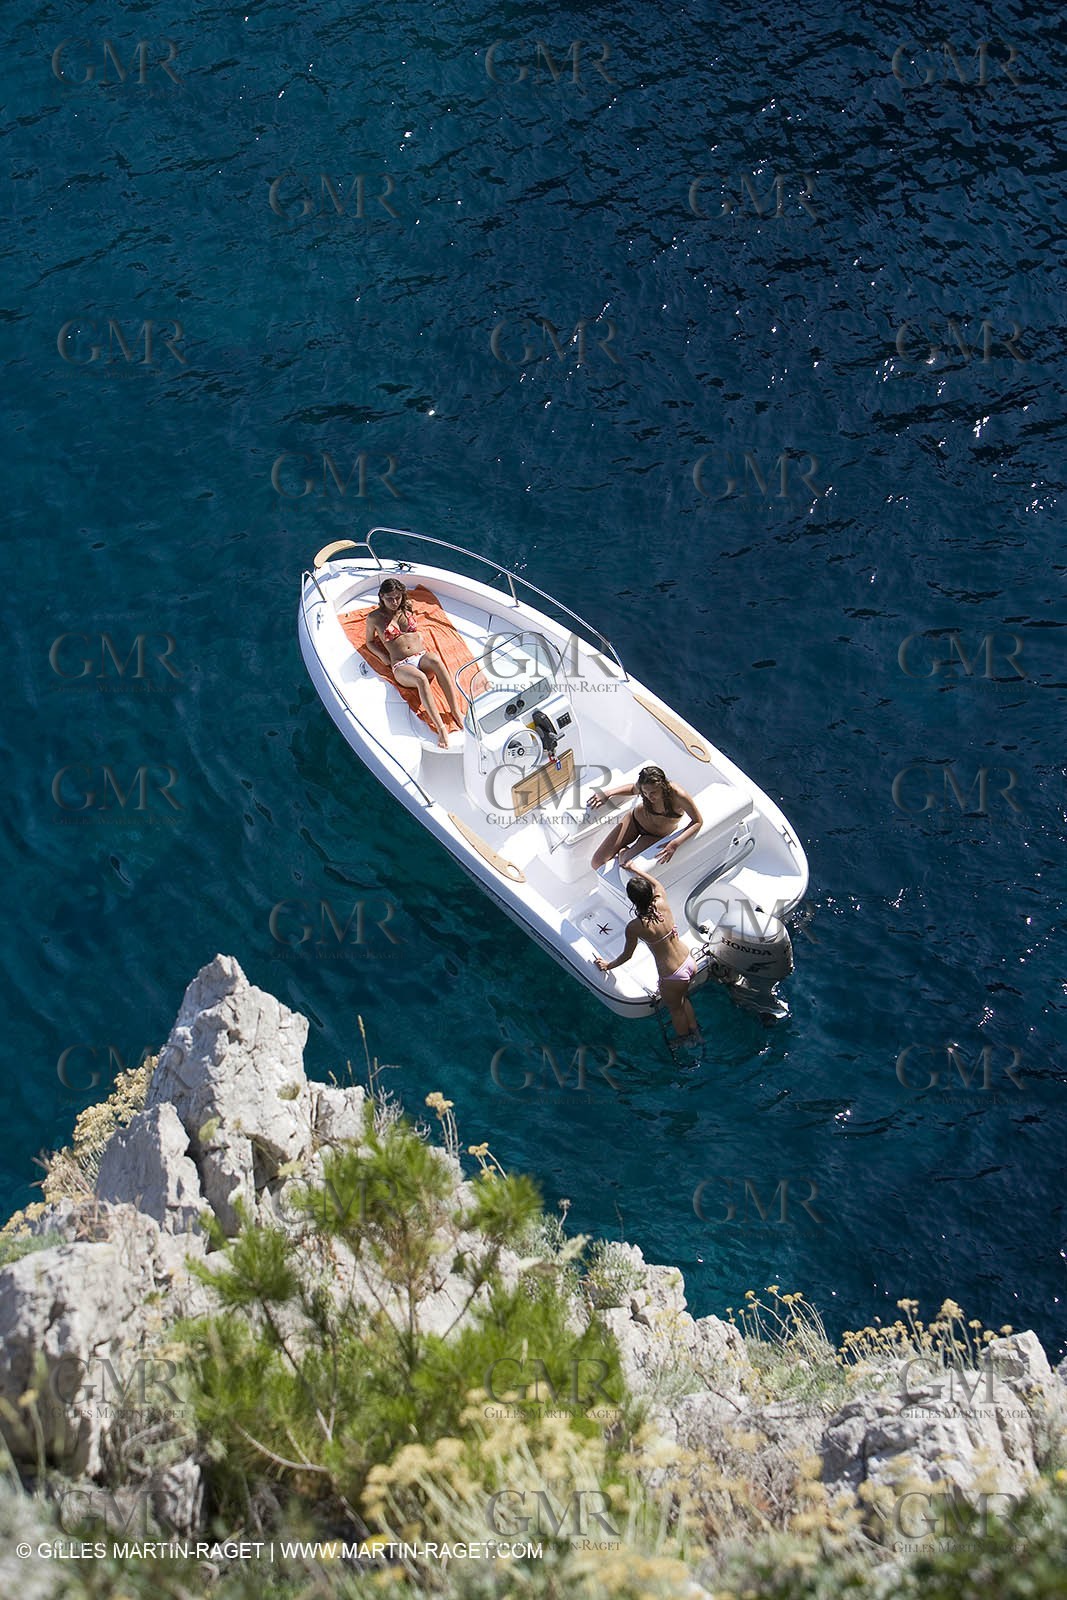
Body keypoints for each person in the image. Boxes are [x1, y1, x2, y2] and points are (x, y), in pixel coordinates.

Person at [593, 864, 700, 1038]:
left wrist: (608, 965)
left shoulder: (636, 927)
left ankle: (687, 1041)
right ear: (650, 893)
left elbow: (627, 955)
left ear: (633, 900)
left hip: (672, 975)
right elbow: (657, 884)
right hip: (688, 961)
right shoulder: (662, 901)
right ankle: (696, 1032)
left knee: (676, 1010)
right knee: (682, 999)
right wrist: (634, 869)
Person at [365, 579, 465, 749]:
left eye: (397, 597)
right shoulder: (374, 618)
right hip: (401, 665)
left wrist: (418, 637)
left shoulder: (407, 606)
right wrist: (383, 656)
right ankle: (440, 727)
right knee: (420, 679)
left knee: (436, 660)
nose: (394, 602)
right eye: (390, 598)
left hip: (421, 655)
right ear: (381, 596)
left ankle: (455, 710)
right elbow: (369, 642)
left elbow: (414, 630)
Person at [588, 765, 702, 870]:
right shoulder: (644, 787)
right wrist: (609, 793)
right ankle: (623, 850)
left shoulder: (678, 795)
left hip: (655, 836)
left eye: (653, 792)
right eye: (645, 793)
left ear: (664, 786)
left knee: (624, 863)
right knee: (597, 863)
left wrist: (675, 843)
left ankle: (623, 851)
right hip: (634, 821)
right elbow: (633, 789)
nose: (649, 796)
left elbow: (697, 821)